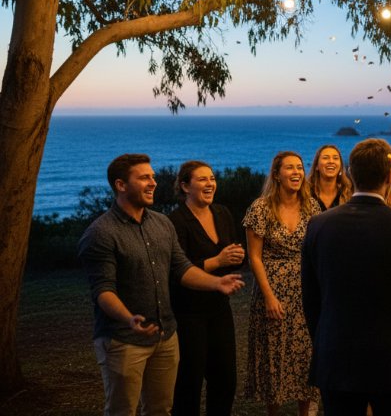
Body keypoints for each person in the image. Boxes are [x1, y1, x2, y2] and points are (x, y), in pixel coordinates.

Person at [77, 154, 244, 416]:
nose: (153, 182)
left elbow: (182, 269)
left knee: (161, 409)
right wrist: (128, 318)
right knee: (123, 410)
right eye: (144, 177)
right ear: (121, 185)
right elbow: (103, 290)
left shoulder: (161, 223)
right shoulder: (101, 233)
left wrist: (216, 282)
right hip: (124, 338)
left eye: (153, 176)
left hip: (166, 335)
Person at [302, 139, 391, 416]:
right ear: (389, 176)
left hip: (336, 355)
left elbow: (311, 298)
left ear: (350, 173)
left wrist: (325, 342)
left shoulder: (318, 225)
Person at [243, 151, 322, 415]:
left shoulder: (313, 207)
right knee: (274, 357)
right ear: (276, 174)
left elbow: (318, 252)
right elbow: (254, 257)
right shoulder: (261, 208)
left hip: (306, 290)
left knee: (305, 357)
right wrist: (268, 296)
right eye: (290, 168)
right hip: (271, 289)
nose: (297, 172)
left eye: (300, 167)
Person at [168, 161, 246, 416]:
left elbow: (229, 252)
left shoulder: (222, 213)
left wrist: (235, 256)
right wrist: (218, 261)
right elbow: (176, 269)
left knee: (225, 379)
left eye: (212, 178)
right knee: (189, 381)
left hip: (219, 308)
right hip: (188, 312)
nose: (210, 183)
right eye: (202, 179)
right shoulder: (175, 221)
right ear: (184, 186)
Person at [310, 144, 353, 210]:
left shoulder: (349, 194)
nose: (331, 161)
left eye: (335, 158)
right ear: (316, 166)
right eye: (325, 158)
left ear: (340, 166)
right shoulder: (306, 194)